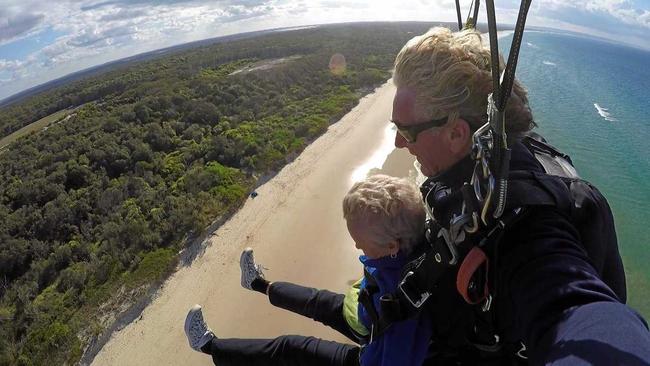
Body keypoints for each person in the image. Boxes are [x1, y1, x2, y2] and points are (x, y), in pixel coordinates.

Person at [388, 26, 650, 364]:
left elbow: (573, 305)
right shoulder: (487, 168)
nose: (398, 143)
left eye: (405, 131)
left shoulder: (526, 227)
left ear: (456, 134)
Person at [184, 174, 433, 365]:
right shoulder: (404, 254)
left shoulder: (401, 307)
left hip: (374, 349)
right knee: (317, 301)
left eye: (361, 242)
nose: (357, 245)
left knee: (290, 348)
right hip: (372, 315)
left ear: (391, 245)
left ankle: (209, 345)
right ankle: (255, 283)